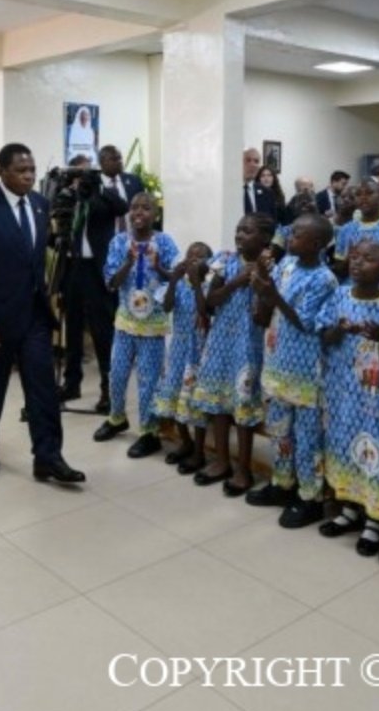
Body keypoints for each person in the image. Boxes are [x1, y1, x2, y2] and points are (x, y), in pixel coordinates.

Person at [0, 143, 85, 484]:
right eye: (21, 170)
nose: (29, 176)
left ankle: (47, 456)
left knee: (42, 388)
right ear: (2, 172)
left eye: (31, 170)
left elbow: (36, 257)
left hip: (33, 316)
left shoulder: (41, 206)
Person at [318, 240, 379, 559]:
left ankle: (374, 520)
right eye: (355, 257)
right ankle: (348, 508)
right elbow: (324, 337)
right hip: (343, 391)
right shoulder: (339, 296)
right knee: (344, 446)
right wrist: (340, 330)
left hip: (378, 399)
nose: (358, 263)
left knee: (373, 453)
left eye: (369, 259)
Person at [247, 214, 339, 527]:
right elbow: (270, 307)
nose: (289, 235)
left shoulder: (324, 279)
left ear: (315, 244)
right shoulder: (286, 264)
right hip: (277, 362)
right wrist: (262, 285)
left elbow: (308, 323)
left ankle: (309, 496)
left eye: (297, 233)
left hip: (306, 374)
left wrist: (274, 296)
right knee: (278, 431)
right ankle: (282, 483)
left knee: (307, 438)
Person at [187, 214, 275, 495]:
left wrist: (260, 278)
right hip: (219, 341)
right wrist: (238, 280)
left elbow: (263, 318)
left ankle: (243, 469)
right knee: (218, 404)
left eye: (247, 231)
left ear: (264, 239)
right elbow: (210, 303)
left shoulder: (272, 267)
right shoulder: (224, 261)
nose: (239, 235)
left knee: (243, 407)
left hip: (247, 346)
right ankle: (222, 462)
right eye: (238, 230)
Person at [94, 192, 178, 457]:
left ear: (155, 214)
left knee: (148, 381)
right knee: (116, 374)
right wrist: (129, 261)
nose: (139, 212)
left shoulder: (165, 242)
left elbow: (176, 278)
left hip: (152, 326)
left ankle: (149, 432)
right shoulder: (119, 242)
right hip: (125, 322)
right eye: (134, 208)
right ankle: (117, 418)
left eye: (145, 208)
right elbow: (110, 283)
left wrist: (159, 267)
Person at [61, 144, 143, 411]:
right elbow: (59, 212)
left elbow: (120, 209)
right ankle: (70, 383)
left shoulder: (106, 192)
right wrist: (72, 189)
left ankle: (109, 389)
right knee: (72, 326)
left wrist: (96, 188)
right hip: (74, 264)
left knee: (102, 329)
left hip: (101, 267)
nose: (117, 161)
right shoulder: (75, 192)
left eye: (118, 157)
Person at [154, 241, 212, 467]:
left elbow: (205, 312)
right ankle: (185, 442)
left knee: (194, 402)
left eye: (199, 257)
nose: (193, 260)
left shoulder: (208, 285)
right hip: (178, 349)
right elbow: (167, 308)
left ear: (208, 262)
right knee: (175, 396)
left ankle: (199, 451)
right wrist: (173, 280)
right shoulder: (178, 284)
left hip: (198, 352)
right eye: (190, 256)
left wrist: (197, 282)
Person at [241, 147, 276, 217]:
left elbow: (272, 222)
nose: (253, 165)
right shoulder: (229, 191)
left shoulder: (267, 193)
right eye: (248, 160)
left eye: (256, 161)